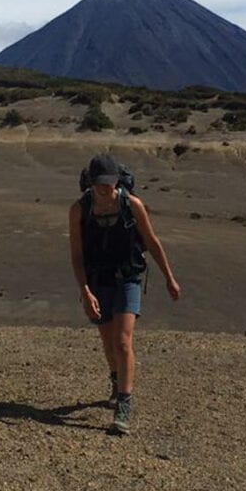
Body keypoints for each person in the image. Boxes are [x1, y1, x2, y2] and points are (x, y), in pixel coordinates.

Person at [68, 153, 181, 435]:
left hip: (128, 277)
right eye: (100, 184)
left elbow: (152, 242)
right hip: (98, 280)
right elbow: (77, 255)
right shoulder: (79, 210)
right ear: (91, 183)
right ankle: (116, 379)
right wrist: (84, 291)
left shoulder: (132, 204)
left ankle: (124, 404)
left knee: (122, 341)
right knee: (108, 344)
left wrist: (169, 278)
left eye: (110, 183)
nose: (106, 189)